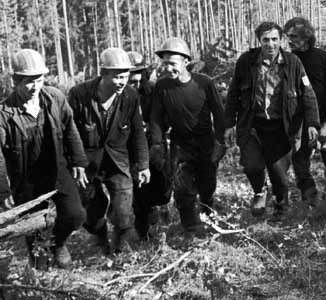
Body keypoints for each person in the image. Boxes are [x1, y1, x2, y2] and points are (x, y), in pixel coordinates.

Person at [0, 49, 88, 268]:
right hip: (26, 178)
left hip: (57, 169)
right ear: (15, 81)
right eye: (28, 81)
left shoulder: (54, 97)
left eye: (38, 80)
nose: (35, 87)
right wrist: (4, 191)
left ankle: (58, 244)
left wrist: (78, 161)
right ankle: (40, 275)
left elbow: (70, 129)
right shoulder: (3, 114)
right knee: (34, 227)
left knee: (75, 215)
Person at [224, 22, 320, 219]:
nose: (270, 44)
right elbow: (233, 93)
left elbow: (308, 95)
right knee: (251, 165)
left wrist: (312, 123)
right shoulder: (247, 62)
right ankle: (260, 191)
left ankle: (281, 209)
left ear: (281, 40)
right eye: (266, 40)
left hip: (282, 127)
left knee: (279, 175)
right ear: (259, 41)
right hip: (253, 125)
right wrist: (228, 124)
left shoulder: (293, 63)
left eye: (275, 39)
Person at [68, 48, 150, 253]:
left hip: (117, 161)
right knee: (92, 212)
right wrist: (76, 163)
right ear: (103, 73)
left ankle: (121, 247)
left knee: (123, 211)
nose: (123, 81)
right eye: (117, 77)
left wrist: (143, 164)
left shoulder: (130, 96)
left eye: (125, 76)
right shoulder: (79, 95)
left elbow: (138, 132)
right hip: (86, 163)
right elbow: (69, 133)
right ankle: (100, 239)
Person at [149, 37, 226, 235]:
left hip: (205, 142)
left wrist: (220, 141)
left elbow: (219, 115)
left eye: (172, 64)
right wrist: (157, 144)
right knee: (182, 189)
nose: (168, 68)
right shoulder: (162, 86)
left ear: (185, 62)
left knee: (207, 185)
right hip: (180, 144)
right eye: (164, 63)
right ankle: (191, 227)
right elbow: (156, 117)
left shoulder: (204, 83)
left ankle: (208, 209)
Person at [283, 17, 326, 201]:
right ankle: (310, 199)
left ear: (306, 36)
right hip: (299, 122)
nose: (290, 40)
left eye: (294, 36)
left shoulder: (325, 59)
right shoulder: (286, 61)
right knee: (300, 162)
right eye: (288, 36)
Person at [127, 51, 171, 239]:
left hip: (155, 144)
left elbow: (162, 117)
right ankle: (143, 229)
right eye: (132, 81)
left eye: (139, 80)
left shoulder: (153, 92)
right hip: (130, 148)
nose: (136, 85)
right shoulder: (119, 96)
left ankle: (161, 212)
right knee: (139, 190)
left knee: (161, 185)